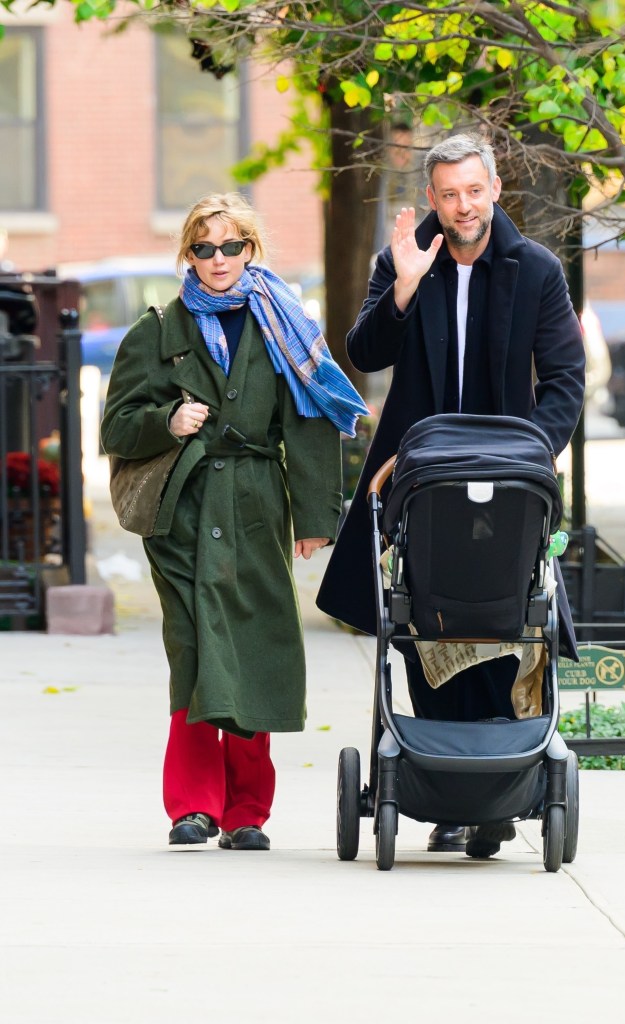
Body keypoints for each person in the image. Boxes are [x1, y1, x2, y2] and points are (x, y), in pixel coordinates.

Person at [317, 131, 585, 858]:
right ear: (431, 198)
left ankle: (492, 794)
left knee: (499, 621)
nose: (462, 206)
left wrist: (529, 457)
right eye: (447, 194)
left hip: (507, 483)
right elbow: (364, 352)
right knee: (421, 619)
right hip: (420, 480)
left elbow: (564, 380)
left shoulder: (536, 270)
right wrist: (402, 289)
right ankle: (444, 789)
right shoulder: (405, 259)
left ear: (493, 189)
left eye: (473, 190)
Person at [101, 192, 367, 850]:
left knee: (255, 647)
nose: (217, 259)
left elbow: (310, 422)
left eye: (230, 246)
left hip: (256, 505)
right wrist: (166, 421)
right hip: (181, 511)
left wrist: (314, 516)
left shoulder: (283, 325)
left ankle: (247, 813)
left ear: (251, 249)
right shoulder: (155, 332)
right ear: (187, 254)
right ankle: (192, 808)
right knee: (193, 650)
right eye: (203, 247)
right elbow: (115, 428)